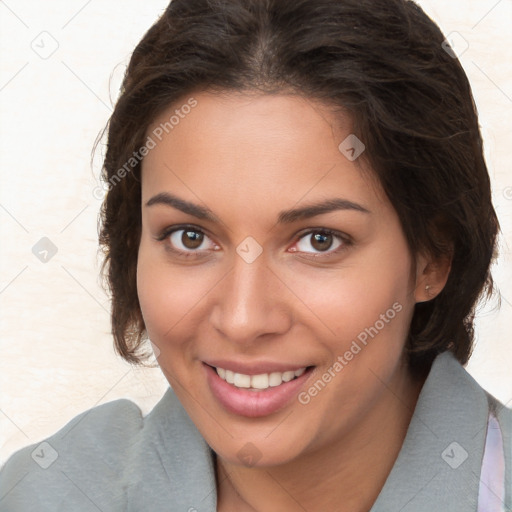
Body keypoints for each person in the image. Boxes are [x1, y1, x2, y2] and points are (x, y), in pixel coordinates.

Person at [0, 0, 510, 510]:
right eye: (190, 237)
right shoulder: (44, 492)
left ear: (433, 258)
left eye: (319, 240)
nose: (244, 320)